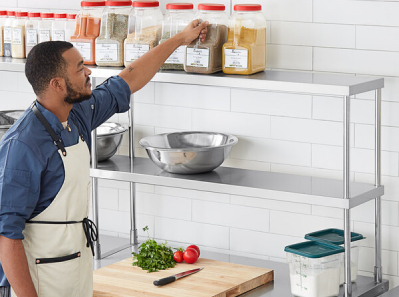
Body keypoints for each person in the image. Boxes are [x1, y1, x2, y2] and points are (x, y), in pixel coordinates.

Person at [0, 19, 208, 297]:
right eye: (79, 68)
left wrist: (180, 39)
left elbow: (128, 79)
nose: (88, 72)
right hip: (39, 281)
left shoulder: (76, 115)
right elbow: (6, 236)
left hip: (76, 272)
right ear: (57, 84)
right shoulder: (22, 145)